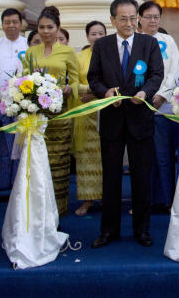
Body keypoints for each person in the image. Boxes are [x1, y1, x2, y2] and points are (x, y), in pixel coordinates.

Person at [88, 0, 164, 249]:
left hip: (140, 119)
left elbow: (156, 74)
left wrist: (146, 93)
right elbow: (94, 78)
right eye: (124, 18)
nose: (129, 23)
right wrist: (105, 93)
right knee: (110, 178)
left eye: (133, 18)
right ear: (113, 20)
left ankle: (141, 230)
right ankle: (108, 231)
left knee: (142, 177)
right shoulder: (102, 46)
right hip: (111, 119)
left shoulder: (149, 43)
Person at [27, 7, 79, 216]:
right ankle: (38, 210)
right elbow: (23, 79)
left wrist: (68, 89)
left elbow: (76, 81)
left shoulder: (67, 51)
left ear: (58, 29)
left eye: (50, 27)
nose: (46, 31)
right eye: (42, 27)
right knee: (38, 163)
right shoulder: (31, 52)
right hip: (37, 116)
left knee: (59, 165)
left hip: (61, 115)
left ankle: (58, 210)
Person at [139, 1, 179, 210]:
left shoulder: (168, 41)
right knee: (142, 157)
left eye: (156, 17)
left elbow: (174, 71)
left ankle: (167, 199)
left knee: (163, 156)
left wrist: (163, 95)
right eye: (148, 16)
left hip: (162, 107)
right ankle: (144, 200)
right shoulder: (133, 41)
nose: (152, 20)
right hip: (138, 104)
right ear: (139, 19)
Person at [0, 8, 26, 202]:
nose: (11, 25)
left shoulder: (28, 46)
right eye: (7, 22)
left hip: (22, 105)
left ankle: (18, 189)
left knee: (18, 146)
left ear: (21, 24)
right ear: (2, 24)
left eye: (14, 22)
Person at [72, 20, 106, 216]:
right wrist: (90, 92)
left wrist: (94, 94)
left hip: (106, 112)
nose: (97, 37)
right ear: (87, 36)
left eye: (101, 33)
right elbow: (74, 83)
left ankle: (107, 197)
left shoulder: (110, 56)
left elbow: (114, 82)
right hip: (85, 114)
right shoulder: (79, 57)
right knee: (86, 158)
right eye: (93, 34)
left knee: (107, 157)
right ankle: (87, 200)